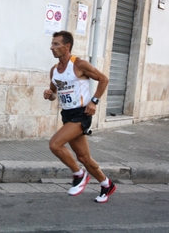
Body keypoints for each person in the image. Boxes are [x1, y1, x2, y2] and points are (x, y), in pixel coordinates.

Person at [43, 31, 116, 203]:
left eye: (56, 44)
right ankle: (107, 184)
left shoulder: (79, 64)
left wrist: (94, 101)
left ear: (66, 46)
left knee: (55, 144)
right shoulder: (54, 71)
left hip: (81, 113)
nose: (51, 48)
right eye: (52, 44)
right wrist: (49, 95)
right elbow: (54, 94)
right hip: (67, 114)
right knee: (84, 157)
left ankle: (79, 175)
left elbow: (103, 79)